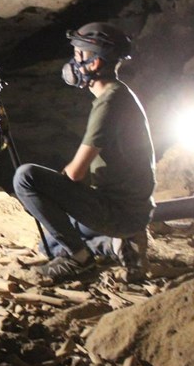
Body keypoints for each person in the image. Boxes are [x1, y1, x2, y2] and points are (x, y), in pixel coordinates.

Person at [13, 22, 155, 281]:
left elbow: (76, 173)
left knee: (25, 177)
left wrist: (52, 196)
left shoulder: (110, 103)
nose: (74, 61)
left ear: (95, 63)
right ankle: (114, 246)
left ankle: (80, 260)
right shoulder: (118, 95)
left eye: (79, 54)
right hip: (131, 208)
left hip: (119, 211)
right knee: (49, 245)